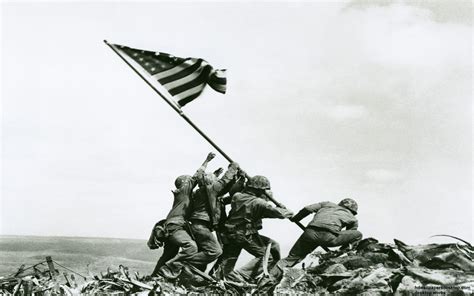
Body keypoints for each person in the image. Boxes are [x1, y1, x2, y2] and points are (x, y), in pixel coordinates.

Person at [162, 161, 240, 275]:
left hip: (198, 226)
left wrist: (238, 178)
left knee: (206, 251)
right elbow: (223, 183)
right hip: (200, 226)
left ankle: (186, 271)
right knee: (215, 251)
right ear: (211, 182)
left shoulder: (204, 192)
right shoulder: (210, 189)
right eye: (215, 180)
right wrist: (233, 168)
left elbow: (226, 189)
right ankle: (176, 265)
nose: (217, 182)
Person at [218, 175, 293, 283]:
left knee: (229, 262)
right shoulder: (259, 203)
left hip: (231, 233)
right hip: (245, 234)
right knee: (267, 257)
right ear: (259, 189)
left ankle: (227, 278)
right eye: (263, 190)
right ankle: (242, 275)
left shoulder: (237, 196)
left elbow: (253, 208)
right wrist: (284, 209)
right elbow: (282, 214)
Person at [267, 198, 362, 284]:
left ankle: (269, 279)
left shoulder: (327, 204)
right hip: (328, 237)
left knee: (291, 258)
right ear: (353, 211)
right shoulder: (353, 218)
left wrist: (296, 218)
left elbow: (308, 209)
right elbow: (350, 234)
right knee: (358, 234)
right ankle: (340, 253)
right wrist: (342, 250)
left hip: (310, 233)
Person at [151, 152, 215, 278]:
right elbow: (197, 176)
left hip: (172, 227)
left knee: (168, 254)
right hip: (175, 226)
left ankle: (155, 277)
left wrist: (216, 175)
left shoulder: (186, 195)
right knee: (190, 247)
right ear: (185, 183)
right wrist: (207, 160)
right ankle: (169, 269)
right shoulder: (184, 191)